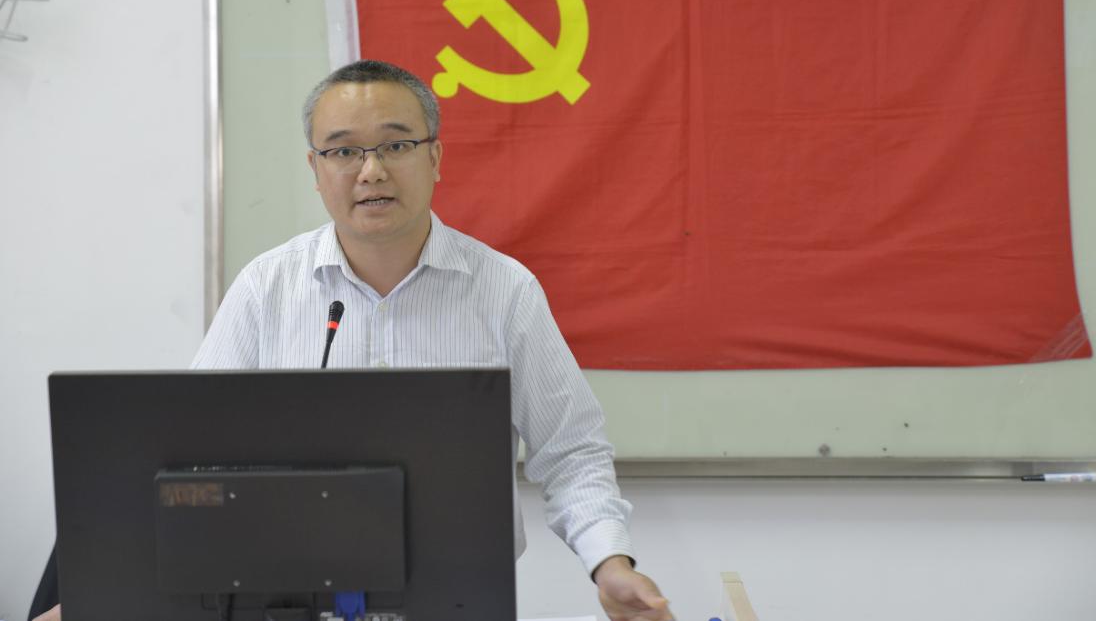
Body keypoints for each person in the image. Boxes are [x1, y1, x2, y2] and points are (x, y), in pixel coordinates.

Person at [32, 60, 670, 621]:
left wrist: (609, 563)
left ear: (435, 158)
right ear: (315, 169)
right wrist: (102, 597)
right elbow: (189, 460)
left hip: (458, 599)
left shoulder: (504, 290)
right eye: (343, 152)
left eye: (396, 145)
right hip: (285, 595)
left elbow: (571, 451)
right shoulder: (267, 288)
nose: (371, 171)